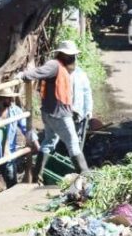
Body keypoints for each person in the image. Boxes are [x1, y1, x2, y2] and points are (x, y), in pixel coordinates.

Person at [17, 40, 88, 180]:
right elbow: (38, 72)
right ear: (62, 54)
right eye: (71, 55)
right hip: (59, 114)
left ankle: (37, 176)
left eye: (74, 55)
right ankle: (86, 176)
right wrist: (23, 75)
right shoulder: (54, 65)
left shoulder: (62, 67)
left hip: (51, 112)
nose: (73, 58)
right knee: (73, 144)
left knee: (49, 141)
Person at [70, 64, 93, 150]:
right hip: (62, 112)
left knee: (77, 138)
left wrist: (88, 110)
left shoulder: (80, 73)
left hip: (78, 111)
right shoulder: (58, 73)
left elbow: (87, 92)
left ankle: (76, 158)